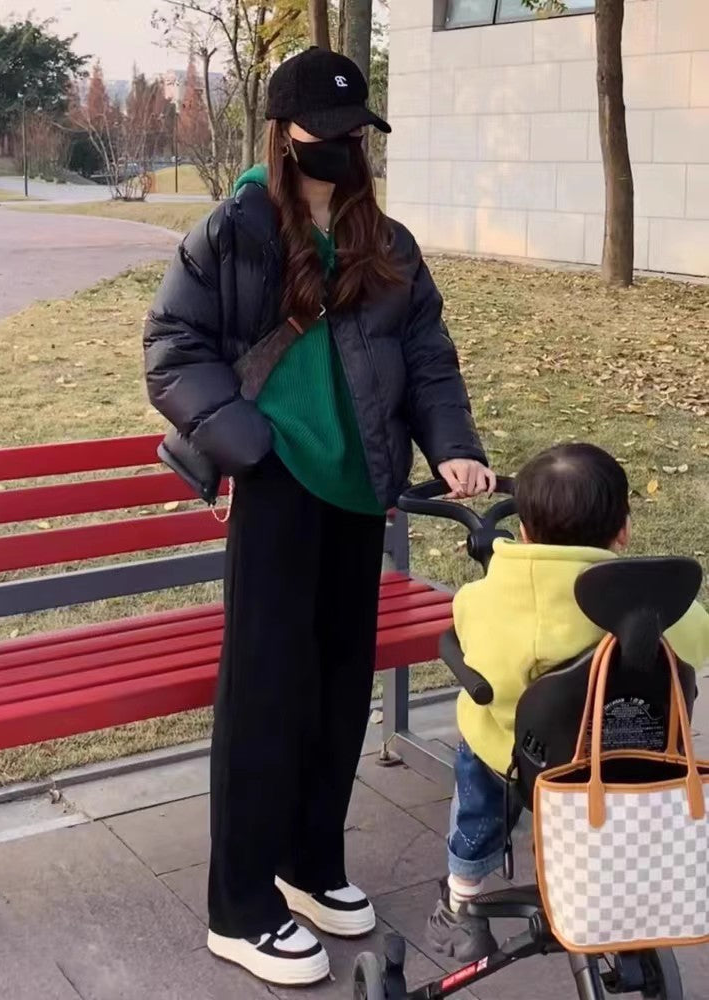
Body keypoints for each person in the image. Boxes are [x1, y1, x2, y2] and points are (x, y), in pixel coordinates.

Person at [144, 46, 494, 987]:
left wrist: (452, 443)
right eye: (326, 134)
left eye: (356, 134)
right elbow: (171, 347)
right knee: (265, 700)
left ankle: (310, 865)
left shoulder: (389, 241)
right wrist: (247, 442)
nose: (344, 149)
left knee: (337, 695)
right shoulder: (235, 228)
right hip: (279, 491)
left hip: (357, 496)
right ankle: (241, 906)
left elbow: (428, 357)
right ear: (284, 132)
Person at [428, 442, 709, 963]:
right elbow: (696, 645)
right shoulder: (662, 606)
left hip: (524, 764)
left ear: (527, 532)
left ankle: (463, 897)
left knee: (478, 764)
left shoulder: (491, 599)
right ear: (623, 529)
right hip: (631, 757)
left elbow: (484, 669)